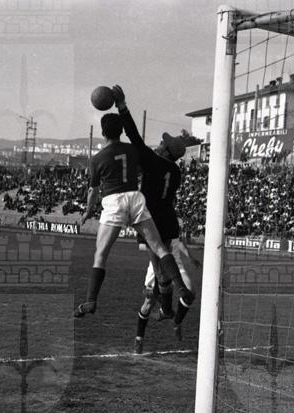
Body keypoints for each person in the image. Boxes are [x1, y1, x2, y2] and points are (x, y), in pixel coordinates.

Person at [74, 88, 194, 318]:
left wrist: (122, 107)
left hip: (126, 205)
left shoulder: (107, 158)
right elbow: (135, 154)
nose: (160, 144)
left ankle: (91, 300)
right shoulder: (173, 170)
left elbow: (134, 137)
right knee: (160, 253)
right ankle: (177, 293)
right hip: (149, 207)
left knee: (103, 254)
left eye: (163, 144)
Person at [135, 233, 201, 354]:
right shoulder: (153, 223)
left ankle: (177, 321)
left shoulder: (177, 224)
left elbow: (179, 241)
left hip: (176, 263)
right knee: (149, 302)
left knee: (190, 292)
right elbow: (141, 246)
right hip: (157, 264)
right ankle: (139, 339)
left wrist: (190, 257)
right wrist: (160, 248)